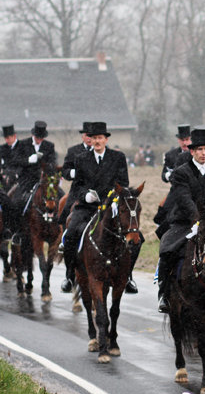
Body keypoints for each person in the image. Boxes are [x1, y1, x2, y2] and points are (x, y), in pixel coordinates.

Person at [156, 127, 205, 313]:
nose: (203, 153)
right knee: (167, 249)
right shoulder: (181, 172)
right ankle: (163, 293)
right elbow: (184, 198)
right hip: (185, 222)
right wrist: (197, 219)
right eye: (199, 150)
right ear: (192, 151)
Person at [59, 121, 130, 293]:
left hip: (111, 206)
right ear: (90, 140)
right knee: (70, 234)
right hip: (87, 207)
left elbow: (124, 183)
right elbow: (77, 185)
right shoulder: (81, 159)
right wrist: (86, 195)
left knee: (132, 237)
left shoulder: (118, 157)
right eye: (94, 138)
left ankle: (128, 277)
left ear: (106, 139)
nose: (97, 141)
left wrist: (113, 197)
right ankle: (69, 275)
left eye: (100, 138)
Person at [8, 121, 58, 244]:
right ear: (33, 135)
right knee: (16, 202)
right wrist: (28, 160)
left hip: (45, 180)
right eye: (37, 138)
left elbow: (53, 162)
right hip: (27, 180)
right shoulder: (23, 144)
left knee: (60, 197)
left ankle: (58, 230)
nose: (39, 140)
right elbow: (15, 160)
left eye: (41, 138)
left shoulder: (49, 146)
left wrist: (46, 166)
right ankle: (17, 232)